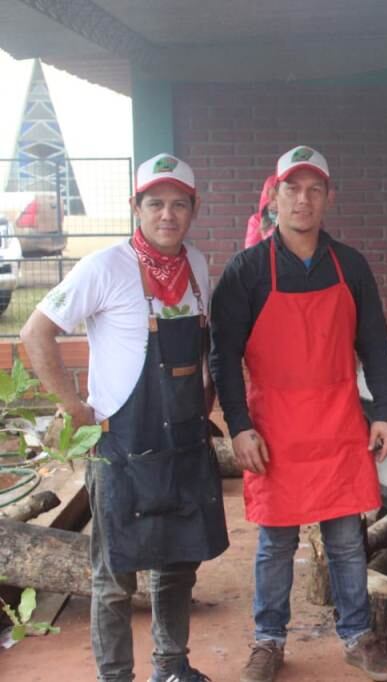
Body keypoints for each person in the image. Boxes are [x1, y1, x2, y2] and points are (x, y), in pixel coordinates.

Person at [20, 153, 228, 682]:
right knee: (114, 579)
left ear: (193, 210)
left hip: (181, 447)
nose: (167, 215)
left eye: (179, 204)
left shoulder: (199, 267)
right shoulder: (104, 266)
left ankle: (172, 666)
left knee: (177, 567)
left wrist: (202, 402)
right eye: (155, 203)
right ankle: (116, 677)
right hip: (122, 448)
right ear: (136, 207)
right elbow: (35, 333)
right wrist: (74, 409)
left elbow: (200, 355)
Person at [209, 145, 387, 682]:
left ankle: (358, 635)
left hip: (339, 421)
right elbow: (223, 356)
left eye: (315, 189)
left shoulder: (351, 266)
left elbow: (376, 345)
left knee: (345, 539)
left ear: (328, 199)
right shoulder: (247, 270)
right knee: (276, 542)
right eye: (292, 188)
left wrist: (384, 411)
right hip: (275, 428)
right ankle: (268, 641)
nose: (303, 200)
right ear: (275, 196)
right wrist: (239, 426)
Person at [244, 174, 278, 248]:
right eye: (272, 196)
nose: (276, 201)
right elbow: (251, 253)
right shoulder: (256, 220)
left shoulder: (293, 217)